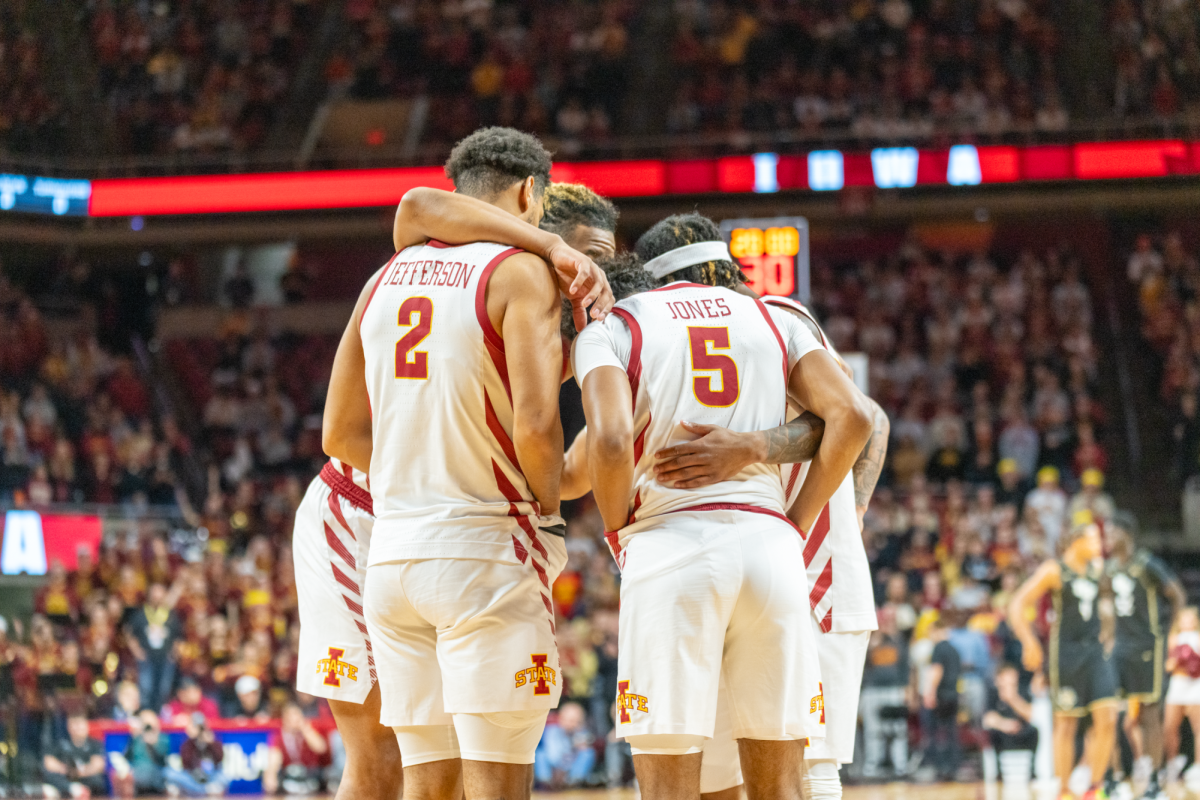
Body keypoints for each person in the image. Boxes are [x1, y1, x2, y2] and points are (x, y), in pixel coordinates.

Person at [292, 178, 619, 800]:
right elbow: (340, 433)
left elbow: (556, 467)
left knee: (436, 763)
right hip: (368, 508)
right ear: (532, 211)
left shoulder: (550, 309)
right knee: (383, 756)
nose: (596, 272)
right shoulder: (510, 271)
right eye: (589, 254)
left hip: (434, 527)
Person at [572, 217, 873, 800]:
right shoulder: (774, 315)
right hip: (772, 550)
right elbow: (857, 418)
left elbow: (608, 443)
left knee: (675, 784)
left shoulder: (616, 324)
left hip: (669, 542)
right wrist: (798, 520)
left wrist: (618, 532)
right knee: (785, 783)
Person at [1010, 520, 1119, 800]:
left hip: (1095, 652)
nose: (1099, 545)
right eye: (1093, 539)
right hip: (1066, 655)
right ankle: (1065, 790)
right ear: (1076, 542)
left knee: (1107, 716)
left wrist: (1108, 633)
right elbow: (1017, 605)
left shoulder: (1098, 570)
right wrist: (1029, 642)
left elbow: (1104, 609)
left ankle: (1096, 787)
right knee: (1066, 724)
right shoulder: (1054, 570)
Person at [1107, 513, 1183, 799]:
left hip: (1148, 646)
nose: (1108, 538)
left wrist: (1173, 632)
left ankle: (1153, 781)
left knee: (1150, 713)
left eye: (1113, 532)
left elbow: (1176, 594)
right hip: (1118, 647)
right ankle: (1113, 778)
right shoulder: (1110, 568)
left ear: (1127, 535)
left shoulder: (1147, 564)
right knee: (1110, 712)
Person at [859, 608, 911, 779]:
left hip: (894, 689)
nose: (887, 624)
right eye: (884, 620)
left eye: (891, 620)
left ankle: (900, 767)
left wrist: (907, 690)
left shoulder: (899, 641)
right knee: (873, 731)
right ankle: (872, 767)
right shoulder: (869, 640)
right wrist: (875, 638)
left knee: (898, 729)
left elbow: (905, 667)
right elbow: (861, 663)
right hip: (872, 690)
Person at [125, 581, 180, 711]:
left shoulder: (170, 615)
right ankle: (146, 712)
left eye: (160, 594)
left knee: (164, 688)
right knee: (146, 687)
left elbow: (177, 635)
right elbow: (129, 633)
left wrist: (175, 652)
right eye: (155, 594)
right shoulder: (141, 614)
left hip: (165, 658)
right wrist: (136, 651)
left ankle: (160, 712)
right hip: (147, 658)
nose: (158, 597)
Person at [983, 663, 1039, 788]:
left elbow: (1030, 714)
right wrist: (1004, 725)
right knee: (992, 734)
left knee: (1035, 731)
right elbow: (987, 718)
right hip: (1002, 733)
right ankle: (999, 772)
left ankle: (1032, 770)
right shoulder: (992, 693)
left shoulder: (1022, 691)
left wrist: (1013, 699)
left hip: (1021, 731)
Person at [922, 616, 963, 781]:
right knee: (952, 732)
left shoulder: (938, 648)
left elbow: (936, 670)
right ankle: (953, 766)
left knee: (936, 733)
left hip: (941, 696)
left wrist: (930, 692)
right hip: (953, 695)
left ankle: (939, 766)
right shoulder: (954, 650)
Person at [1163, 607, 1200, 786]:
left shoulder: (1198, 638)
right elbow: (1168, 666)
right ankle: (1172, 764)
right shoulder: (1173, 638)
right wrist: (1179, 661)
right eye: (1183, 618)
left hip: (1195, 685)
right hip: (1178, 684)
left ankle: (1198, 767)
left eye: (1190, 618)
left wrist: (1193, 661)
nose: (1187, 621)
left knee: (1198, 728)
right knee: (1170, 726)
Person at [264, 702, 332, 795]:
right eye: (290, 717)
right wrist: (271, 775)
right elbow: (273, 759)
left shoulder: (309, 730)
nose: (294, 719)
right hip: (289, 776)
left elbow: (321, 748)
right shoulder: (279, 736)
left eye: (296, 716)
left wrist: (304, 728)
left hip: (311, 775)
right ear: (285, 719)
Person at [42, 711, 107, 798]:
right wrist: (66, 769)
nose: (77, 728)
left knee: (98, 780)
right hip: (67, 776)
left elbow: (98, 765)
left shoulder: (95, 744)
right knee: (50, 775)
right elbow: (48, 762)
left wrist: (82, 771)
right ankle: (72, 789)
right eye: (74, 725)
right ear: (68, 727)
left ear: (86, 725)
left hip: (86, 778)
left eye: (80, 724)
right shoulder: (61, 743)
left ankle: (69, 790)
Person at [534, 702, 597, 788]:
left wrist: (582, 747)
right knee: (540, 754)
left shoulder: (583, 734)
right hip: (554, 769)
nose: (573, 724)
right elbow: (553, 756)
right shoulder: (551, 732)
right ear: (561, 719)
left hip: (570, 771)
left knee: (588, 753)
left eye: (577, 722)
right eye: (571, 720)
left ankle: (575, 783)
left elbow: (587, 748)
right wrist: (571, 745)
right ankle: (545, 783)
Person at [164, 712, 228, 797]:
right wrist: (192, 740)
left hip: (210, 778)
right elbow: (185, 764)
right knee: (169, 773)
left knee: (224, 776)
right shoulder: (188, 743)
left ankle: (200, 790)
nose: (199, 730)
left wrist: (211, 744)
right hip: (192, 778)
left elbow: (219, 759)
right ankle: (204, 791)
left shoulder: (212, 740)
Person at [122, 709, 170, 796]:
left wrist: (152, 744)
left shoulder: (162, 739)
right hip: (138, 772)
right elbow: (127, 757)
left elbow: (163, 762)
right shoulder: (136, 738)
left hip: (155, 773)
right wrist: (134, 738)